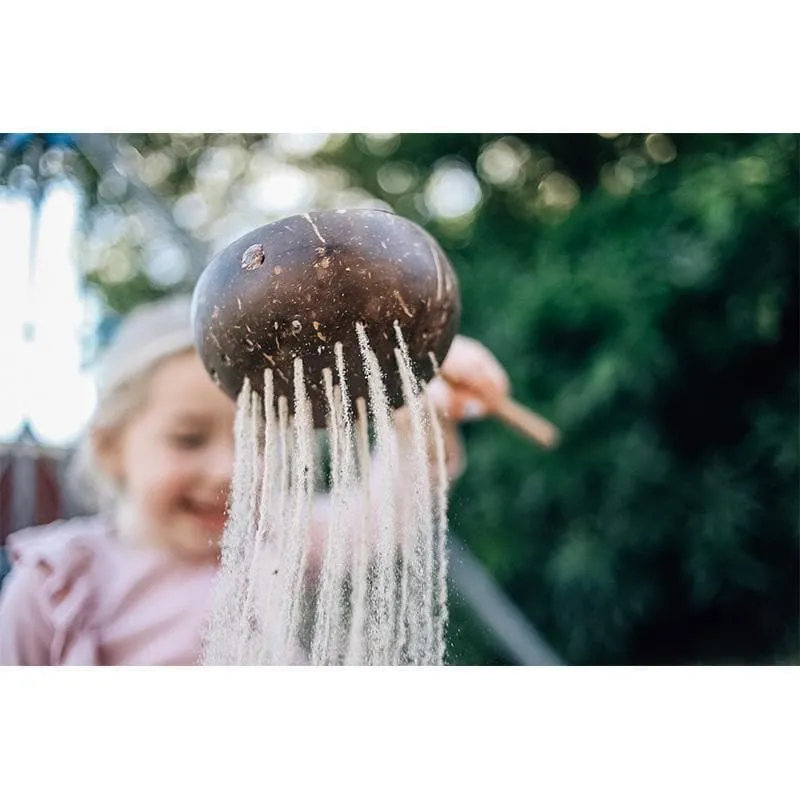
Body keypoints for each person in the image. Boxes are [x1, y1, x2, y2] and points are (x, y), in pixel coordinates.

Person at [0, 295, 510, 666]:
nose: (229, 471)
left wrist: (416, 388)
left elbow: (384, 512)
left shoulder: (274, 542)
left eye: (258, 442)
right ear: (111, 447)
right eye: (188, 439)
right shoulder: (56, 584)